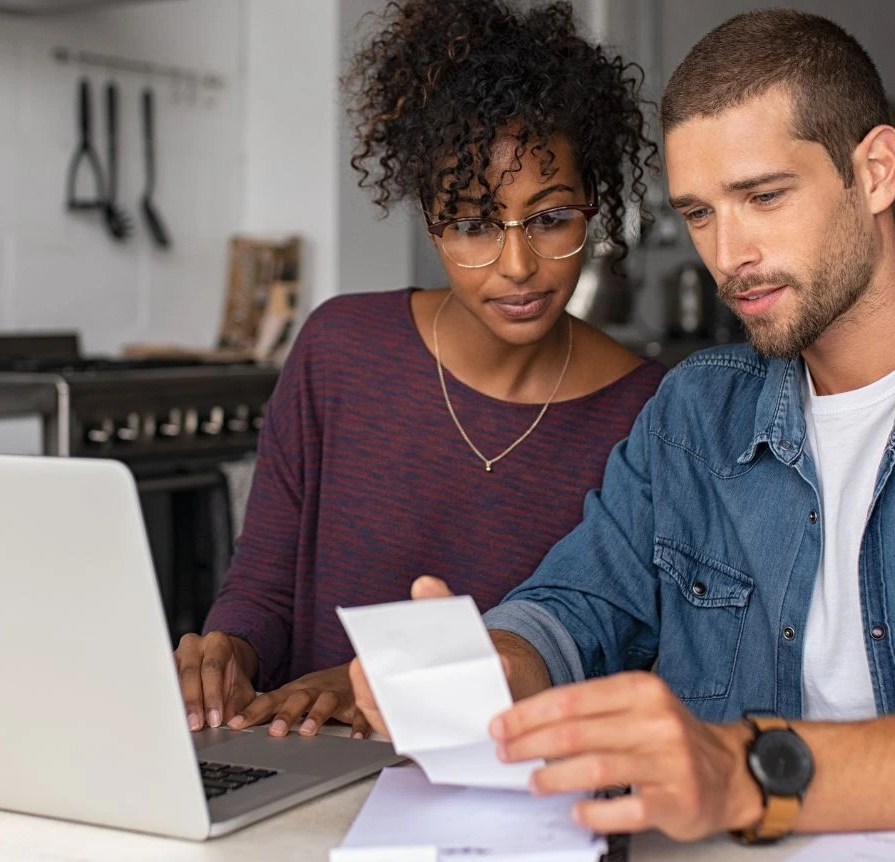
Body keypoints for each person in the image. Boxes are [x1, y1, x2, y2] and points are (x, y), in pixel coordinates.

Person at [354, 8, 895, 842]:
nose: (729, 256)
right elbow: (576, 606)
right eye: (700, 213)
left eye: (762, 197)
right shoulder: (693, 413)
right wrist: (492, 665)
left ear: (876, 172)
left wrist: (752, 773)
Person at [177, 0, 666, 741]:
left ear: (593, 207)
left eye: (549, 217)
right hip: (308, 765)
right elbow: (265, 588)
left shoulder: (649, 413)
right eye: (471, 224)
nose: (517, 265)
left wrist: (374, 686)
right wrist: (228, 654)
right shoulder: (339, 350)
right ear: (430, 221)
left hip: (509, 787)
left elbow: (612, 655)